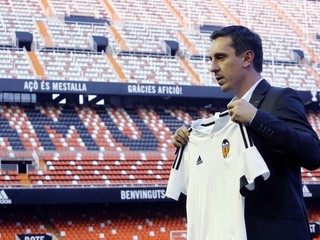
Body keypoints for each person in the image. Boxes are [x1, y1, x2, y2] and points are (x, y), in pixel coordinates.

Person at [171, 25, 320, 240]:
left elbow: (313, 153)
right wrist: (186, 143)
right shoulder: (222, 119)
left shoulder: (279, 98)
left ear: (247, 58)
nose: (213, 67)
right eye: (212, 59)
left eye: (220, 57)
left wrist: (257, 118)